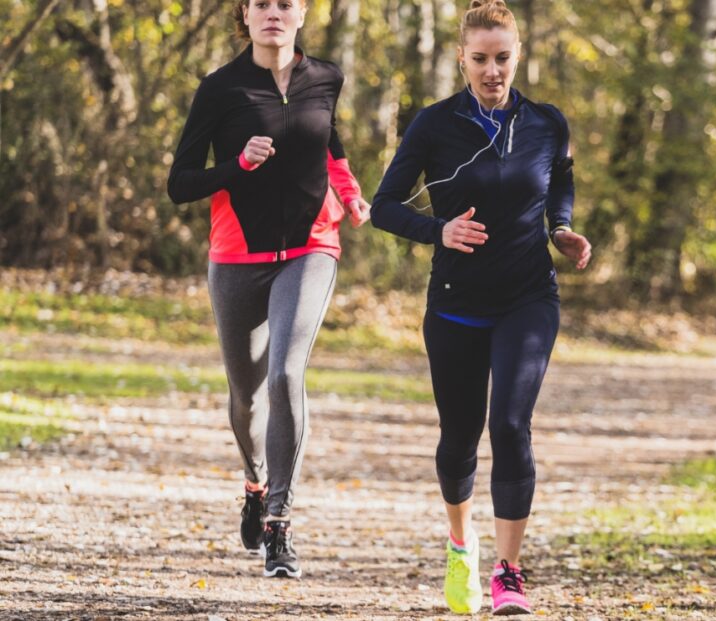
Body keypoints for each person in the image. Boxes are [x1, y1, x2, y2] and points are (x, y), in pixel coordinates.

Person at [371, 0, 592, 614]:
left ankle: (509, 573)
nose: (492, 71)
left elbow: (561, 179)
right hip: (456, 302)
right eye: (480, 60)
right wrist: (437, 231)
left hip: (528, 297)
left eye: (502, 58)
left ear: (518, 55)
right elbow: (384, 205)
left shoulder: (547, 121)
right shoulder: (433, 125)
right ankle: (460, 546)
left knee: (512, 425)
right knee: (459, 436)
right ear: (461, 59)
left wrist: (562, 227)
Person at [167, 0, 370, 579]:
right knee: (247, 396)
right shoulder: (220, 88)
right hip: (236, 257)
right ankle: (255, 481)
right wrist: (237, 164)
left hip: (311, 247)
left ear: (302, 13)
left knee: (286, 373)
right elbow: (180, 183)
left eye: (286, 4)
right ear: (246, 16)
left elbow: (330, 145)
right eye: (262, 4)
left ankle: (280, 521)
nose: (274, 13)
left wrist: (351, 194)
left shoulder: (326, 77)